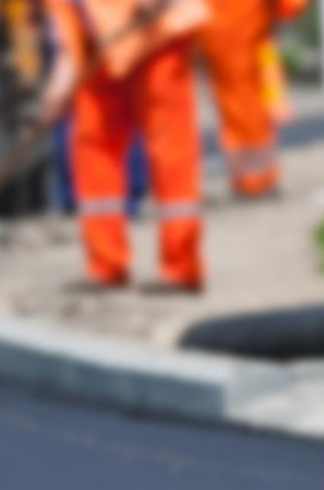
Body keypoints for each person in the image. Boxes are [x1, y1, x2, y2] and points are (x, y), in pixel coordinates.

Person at [40, 0, 209, 291]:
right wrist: (61, 82)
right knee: (92, 146)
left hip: (157, 34)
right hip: (103, 46)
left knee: (171, 153)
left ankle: (181, 267)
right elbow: (70, 19)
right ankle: (105, 263)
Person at [198, 0, 307, 200]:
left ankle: (252, 178)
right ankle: (254, 178)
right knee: (245, 103)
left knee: (240, 104)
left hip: (228, 28)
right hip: (240, 27)